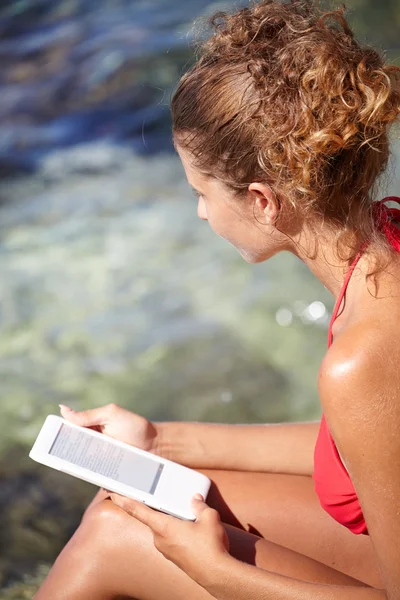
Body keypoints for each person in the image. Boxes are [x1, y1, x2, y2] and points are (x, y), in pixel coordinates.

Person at [34, 1, 400, 598]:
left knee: (114, 537)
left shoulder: (364, 356)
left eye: (200, 191)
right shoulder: (387, 245)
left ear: (262, 200)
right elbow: (371, 441)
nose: (201, 211)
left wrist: (214, 572)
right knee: (134, 498)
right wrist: (161, 442)